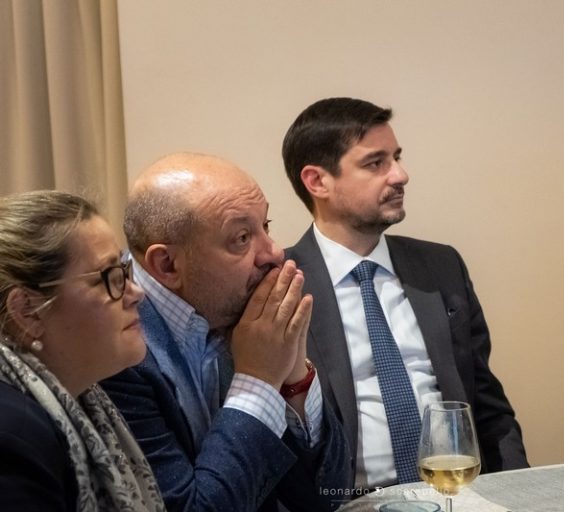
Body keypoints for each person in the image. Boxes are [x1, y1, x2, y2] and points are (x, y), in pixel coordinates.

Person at [282, 97, 528, 491]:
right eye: (375, 163)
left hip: (455, 489)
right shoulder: (281, 285)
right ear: (317, 182)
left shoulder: (441, 267)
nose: (401, 175)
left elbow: (488, 407)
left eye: (396, 158)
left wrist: (517, 491)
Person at [100, 152, 350, 512]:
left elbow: (326, 497)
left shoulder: (234, 307)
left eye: (266, 226)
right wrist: (258, 380)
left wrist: (293, 372)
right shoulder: (113, 349)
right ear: (167, 265)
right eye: (242, 238)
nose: (274, 253)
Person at [0, 190, 164, 511]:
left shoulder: (81, 400)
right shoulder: (13, 438)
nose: (136, 293)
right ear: (28, 312)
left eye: (125, 270)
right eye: (109, 277)